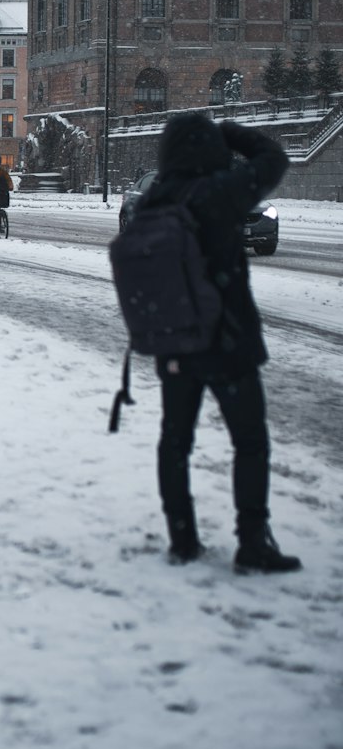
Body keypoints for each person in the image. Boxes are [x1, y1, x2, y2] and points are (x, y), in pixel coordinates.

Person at [143, 113, 300, 573]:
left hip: (176, 343)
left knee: (175, 443)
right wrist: (229, 132)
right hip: (229, 343)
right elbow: (274, 158)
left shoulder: (155, 199)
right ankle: (252, 542)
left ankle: (183, 539)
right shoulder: (222, 191)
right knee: (249, 443)